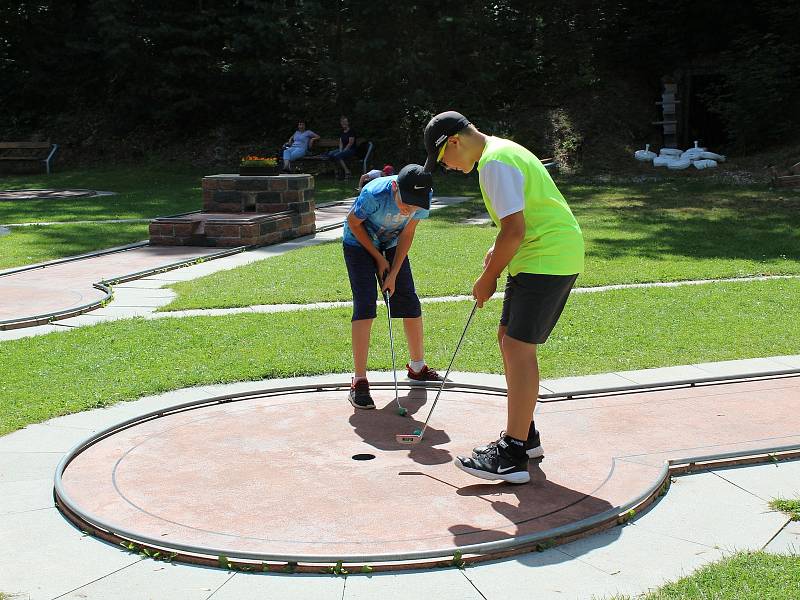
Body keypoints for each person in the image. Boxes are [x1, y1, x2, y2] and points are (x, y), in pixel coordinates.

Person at [423, 111, 584, 484]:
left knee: (517, 347)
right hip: (539, 257)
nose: (445, 165)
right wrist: (495, 254)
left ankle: (511, 453)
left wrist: (488, 276)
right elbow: (515, 222)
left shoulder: (494, 163)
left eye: (443, 158)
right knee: (508, 339)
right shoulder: (501, 153)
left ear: (455, 141)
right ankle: (525, 437)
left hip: (547, 258)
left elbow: (515, 229)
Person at [342, 164, 444, 410]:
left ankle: (417, 367)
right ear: (395, 187)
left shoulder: (423, 196)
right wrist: (378, 259)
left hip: (393, 243)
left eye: (413, 205)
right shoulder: (374, 193)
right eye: (405, 202)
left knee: (408, 300)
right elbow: (353, 223)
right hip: (359, 242)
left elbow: (408, 232)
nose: (408, 209)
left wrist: (394, 272)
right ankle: (359, 381)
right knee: (365, 304)